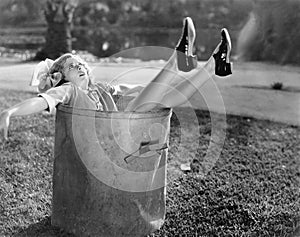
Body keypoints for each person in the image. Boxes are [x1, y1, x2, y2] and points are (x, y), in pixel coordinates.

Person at [0, 17, 232, 140]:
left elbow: (129, 89)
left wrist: (147, 90)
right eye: (72, 67)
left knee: (159, 98)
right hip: (107, 143)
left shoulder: (99, 89)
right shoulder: (69, 92)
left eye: (81, 63)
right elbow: (41, 101)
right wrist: (10, 112)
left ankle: (212, 65)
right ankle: (177, 60)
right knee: (144, 102)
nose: (80, 66)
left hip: (123, 134)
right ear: (62, 77)